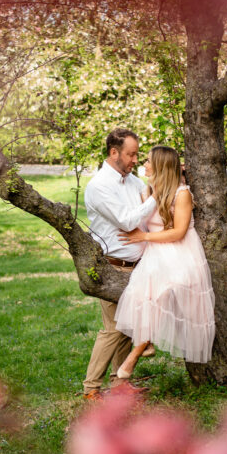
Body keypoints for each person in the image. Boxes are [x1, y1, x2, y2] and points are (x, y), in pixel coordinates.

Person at [113, 145, 216, 378]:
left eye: (148, 161)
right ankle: (147, 341)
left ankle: (133, 356)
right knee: (142, 295)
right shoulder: (148, 191)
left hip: (180, 252)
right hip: (156, 252)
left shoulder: (182, 194)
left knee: (162, 293)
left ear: (160, 166)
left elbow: (179, 232)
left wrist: (144, 237)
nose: (144, 165)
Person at [81, 128, 158, 400]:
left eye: (137, 154)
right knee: (113, 328)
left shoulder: (133, 182)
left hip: (138, 265)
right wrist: (156, 197)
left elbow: (148, 202)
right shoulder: (99, 186)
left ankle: (120, 384)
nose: (135, 159)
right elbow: (127, 220)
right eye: (131, 154)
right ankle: (91, 389)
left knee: (125, 327)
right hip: (113, 267)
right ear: (114, 153)